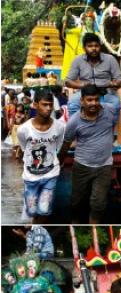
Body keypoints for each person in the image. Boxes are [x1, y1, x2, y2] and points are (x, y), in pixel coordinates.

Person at [59, 84, 118, 224]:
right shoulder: (74, 122)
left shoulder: (110, 111)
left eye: (97, 100)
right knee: (76, 201)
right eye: (89, 100)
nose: (94, 103)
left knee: (98, 203)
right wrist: (58, 161)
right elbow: (66, 144)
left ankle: (93, 230)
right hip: (82, 166)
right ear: (82, 101)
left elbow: (113, 126)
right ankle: (75, 223)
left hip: (104, 166)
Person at [16, 90, 65, 223]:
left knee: (44, 209)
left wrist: (56, 161)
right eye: (44, 104)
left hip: (51, 174)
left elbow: (58, 146)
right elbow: (24, 148)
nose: (48, 108)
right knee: (31, 210)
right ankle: (34, 225)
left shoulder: (59, 127)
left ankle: (37, 228)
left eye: (50, 104)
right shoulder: (23, 129)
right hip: (30, 176)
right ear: (35, 105)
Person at [65, 33, 121, 121]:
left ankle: (110, 132)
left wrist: (112, 84)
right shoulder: (78, 60)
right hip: (85, 93)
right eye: (90, 46)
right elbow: (68, 81)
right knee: (73, 104)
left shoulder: (110, 59)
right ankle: (77, 130)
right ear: (84, 48)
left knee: (115, 103)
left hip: (105, 93)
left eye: (96, 45)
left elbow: (120, 80)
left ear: (100, 46)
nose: (94, 48)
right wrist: (83, 85)